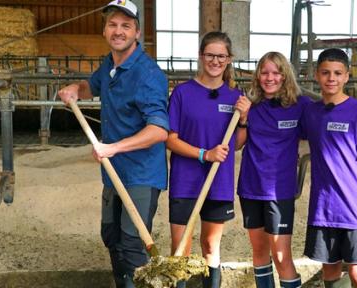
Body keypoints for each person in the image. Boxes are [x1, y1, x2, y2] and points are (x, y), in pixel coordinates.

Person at [58, 1, 169, 287]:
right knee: (112, 237)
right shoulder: (110, 64)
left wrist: (113, 148)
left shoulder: (148, 74)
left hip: (140, 174)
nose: (118, 31)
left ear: (137, 32)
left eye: (126, 26)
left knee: (133, 245)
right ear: (105, 30)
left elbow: (158, 131)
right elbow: (90, 86)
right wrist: (76, 89)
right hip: (112, 171)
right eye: (112, 24)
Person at [301, 48, 357, 288]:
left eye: (337, 73)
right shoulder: (310, 112)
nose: (331, 78)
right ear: (316, 75)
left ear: (346, 77)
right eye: (326, 72)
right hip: (323, 208)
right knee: (329, 271)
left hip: (355, 207)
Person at [166, 31, 251, 288]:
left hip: (218, 182)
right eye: (210, 55)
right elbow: (170, 139)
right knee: (181, 247)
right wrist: (205, 154)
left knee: (211, 246)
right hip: (185, 181)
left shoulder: (235, 98)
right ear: (201, 56)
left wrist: (244, 119)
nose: (215, 61)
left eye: (221, 56)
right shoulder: (182, 93)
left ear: (229, 59)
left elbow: (233, 145)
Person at [237, 51, 309, 288]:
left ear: (285, 75)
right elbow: (237, 144)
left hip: (279, 191)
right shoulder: (251, 105)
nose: (270, 78)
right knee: (259, 251)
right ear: (257, 76)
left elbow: (331, 117)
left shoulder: (300, 105)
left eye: (276, 72)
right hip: (250, 186)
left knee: (281, 255)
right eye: (265, 72)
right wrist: (243, 118)